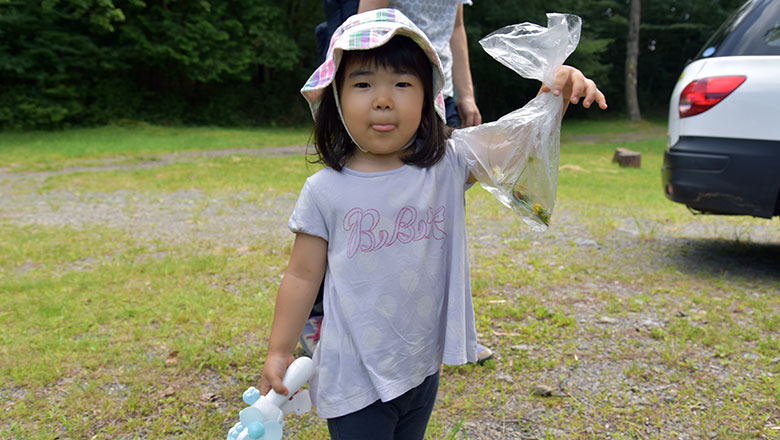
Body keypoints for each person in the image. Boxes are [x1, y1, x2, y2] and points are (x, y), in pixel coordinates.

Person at [261, 9, 606, 439]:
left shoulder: (446, 164)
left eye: (403, 84)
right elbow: (301, 275)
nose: (383, 99)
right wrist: (278, 351)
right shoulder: (325, 190)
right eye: (363, 83)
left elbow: (516, 142)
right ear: (335, 97)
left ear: (428, 98)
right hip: (355, 377)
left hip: (422, 366)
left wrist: (552, 93)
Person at [304, 0, 493, 364]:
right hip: (392, 70)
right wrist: (363, 88)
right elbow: (363, 29)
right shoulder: (321, 190)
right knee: (365, 212)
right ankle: (325, 318)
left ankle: (432, 321)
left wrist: (466, 95)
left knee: (434, 209)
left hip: (435, 90)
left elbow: (456, 29)